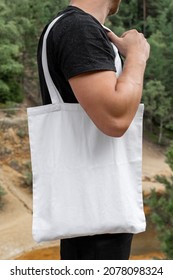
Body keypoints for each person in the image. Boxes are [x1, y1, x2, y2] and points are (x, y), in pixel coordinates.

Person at [37, 0, 150, 260]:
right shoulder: (79, 29)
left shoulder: (70, 26)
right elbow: (115, 118)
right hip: (99, 215)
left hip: (86, 210)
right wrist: (137, 56)